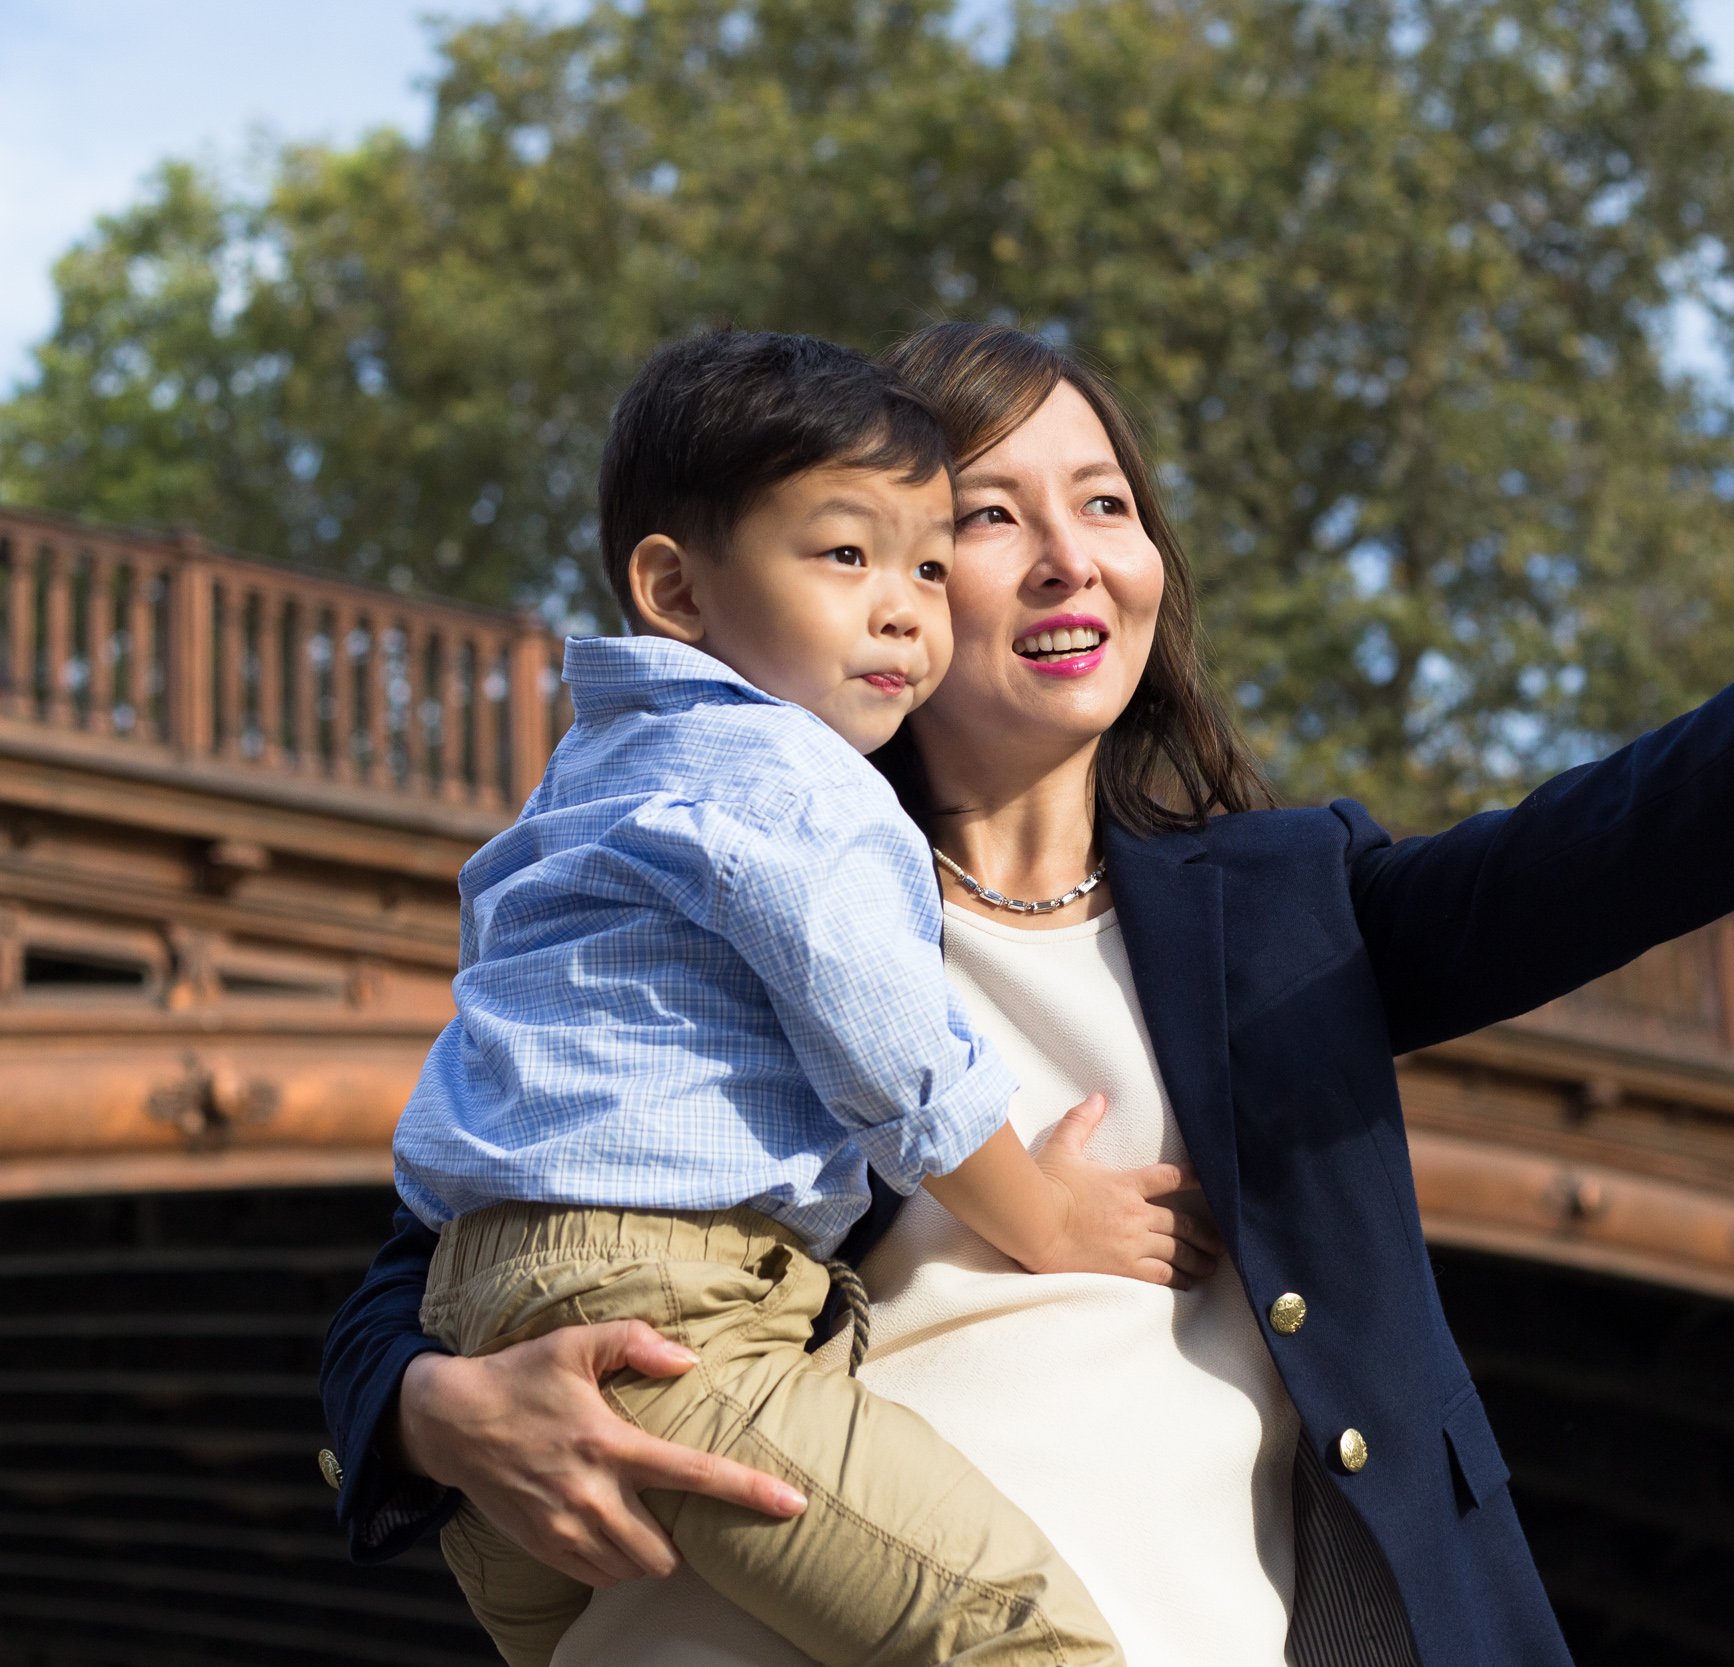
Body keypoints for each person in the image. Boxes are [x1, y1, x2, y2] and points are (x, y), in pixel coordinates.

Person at [322, 286, 1734, 1666]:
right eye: (973, 524)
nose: (1062, 562)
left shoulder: (1284, 922)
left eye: (1101, 507)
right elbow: (457, 1255)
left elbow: (1669, 815)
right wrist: (427, 1412)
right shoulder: (725, 889)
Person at [388, 329, 1219, 1666]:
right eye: (848, 556)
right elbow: (895, 1063)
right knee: (1014, 1633)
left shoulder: (601, 767)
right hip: (681, 1311)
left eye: (929, 566)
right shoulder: (790, 782)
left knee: (578, 1639)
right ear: (677, 589)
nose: (905, 607)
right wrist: (1050, 1217)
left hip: (493, 1288)